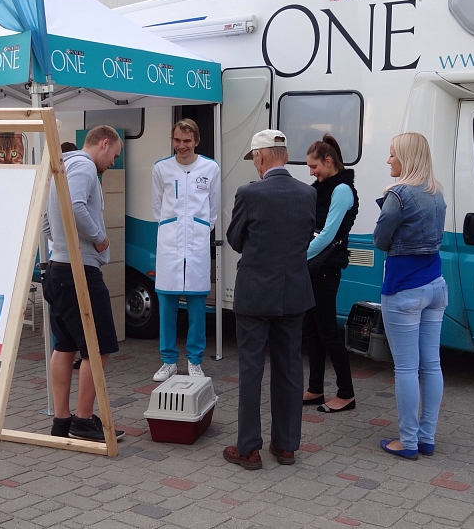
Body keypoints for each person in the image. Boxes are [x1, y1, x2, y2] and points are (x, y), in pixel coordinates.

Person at [223, 129, 317, 470]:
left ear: (259, 156)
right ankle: (286, 445)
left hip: (255, 293)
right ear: (285, 156)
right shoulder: (308, 193)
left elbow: (235, 239)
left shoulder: (249, 193)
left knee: (251, 370)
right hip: (293, 293)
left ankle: (249, 448)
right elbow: (306, 237)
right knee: (290, 368)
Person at [42, 125, 125, 442]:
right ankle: (83, 419)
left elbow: (47, 222)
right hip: (79, 271)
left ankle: (61, 420)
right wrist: (100, 239)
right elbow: (75, 206)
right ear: (104, 143)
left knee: (64, 345)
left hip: (58, 268)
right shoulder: (85, 166)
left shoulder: (61, 165)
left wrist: (62, 243)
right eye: (114, 154)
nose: (113, 162)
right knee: (99, 346)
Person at [373, 132, 447, 460]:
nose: (388, 159)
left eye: (393, 154)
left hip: (404, 287)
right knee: (431, 364)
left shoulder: (398, 194)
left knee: (405, 368)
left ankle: (407, 441)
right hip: (436, 285)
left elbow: (380, 240)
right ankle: (426, 437)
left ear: (406, 157)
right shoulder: (437, 193)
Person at [151, 119, 220, 381]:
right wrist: (172, 226)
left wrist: (199, 229)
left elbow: (213, 208)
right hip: (169, 244)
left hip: (197, 244)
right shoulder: (161, 168)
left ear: (197, 142)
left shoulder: (210, 168)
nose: (182, 146)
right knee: (167, 305)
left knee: (197, 307)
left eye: (187, 141)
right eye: (177, 140)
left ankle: (194, 360)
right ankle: (168, 360)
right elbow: (157, 207)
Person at [302, 135, 358, 413]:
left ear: (328, 161)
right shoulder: (324, 187)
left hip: (326, 268)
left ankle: (346, 393)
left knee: (327, 332)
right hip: (316, 266)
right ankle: (315, 388)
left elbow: (327, 235)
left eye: (314, 167)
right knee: (312, 330)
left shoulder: (342, 190)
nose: (312, 172)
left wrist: (299, 257)